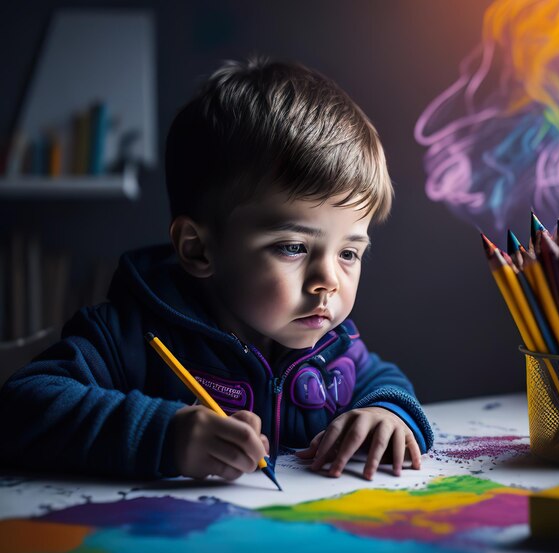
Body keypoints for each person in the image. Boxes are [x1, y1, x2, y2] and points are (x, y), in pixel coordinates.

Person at [0, 57, 432, 481]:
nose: (328, 281)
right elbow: (21, 406)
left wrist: (386, 412)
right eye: (294, 247)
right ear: (199, 250)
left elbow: (383, 380)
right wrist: (165, 436)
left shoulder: (332, 345)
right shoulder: (131, 336)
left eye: (349, 253)